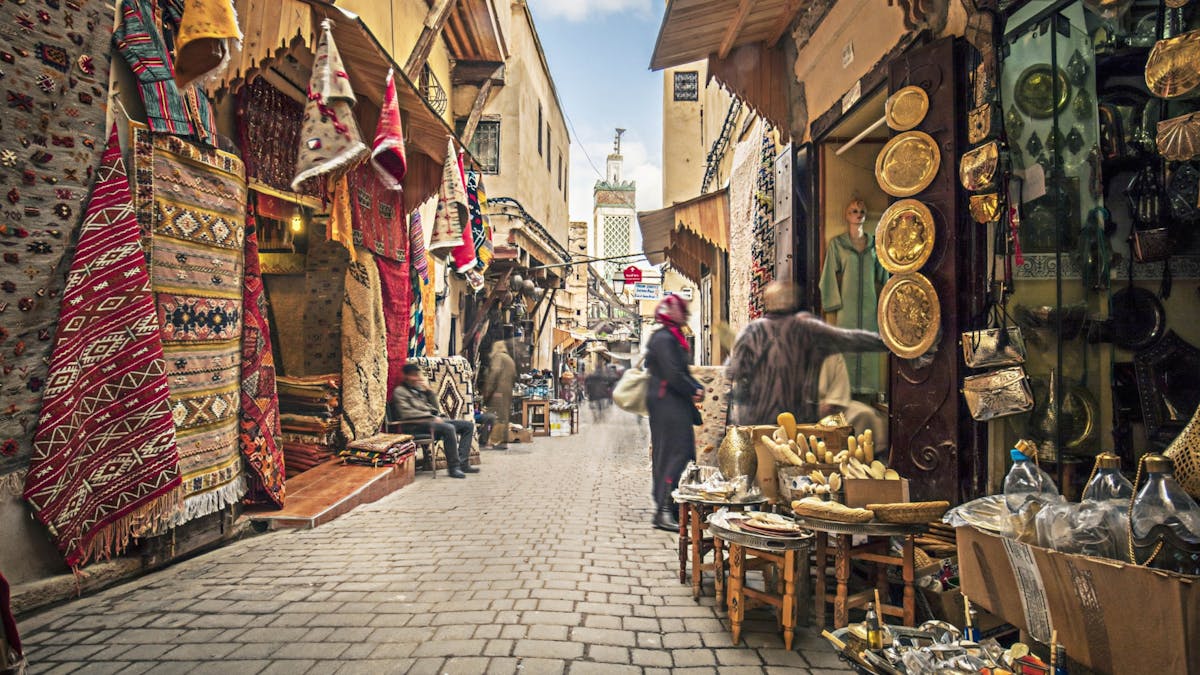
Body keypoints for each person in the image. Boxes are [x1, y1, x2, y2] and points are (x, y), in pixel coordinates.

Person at [727, 280, 887, 426]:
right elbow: (850, 339)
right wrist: (886, 342)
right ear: (793, 302)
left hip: (757, 420)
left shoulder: (750, 332)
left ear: (766, 302)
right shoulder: (806, 328)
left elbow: (732, 371)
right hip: (797, 421)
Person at [645, 294, 703, 532]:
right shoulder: (664, 338)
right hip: (666, 403)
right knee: (675, 452)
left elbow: (680, 370)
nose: (686, 314)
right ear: (671, 312)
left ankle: (671, 506)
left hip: (672, 402)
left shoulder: (671, 337)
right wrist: (693, 389)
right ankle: (665, 510)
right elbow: (672, 372)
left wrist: (696, 387)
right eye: (682, 309)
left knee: (681, 451)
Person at [820, 198, 888, 396]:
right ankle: (845, 392)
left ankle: (868, 394)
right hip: (847, 309)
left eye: (861, 211)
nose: (858, 214)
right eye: (853, 211)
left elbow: (885, 277)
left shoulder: (875, 245)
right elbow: (828, 277)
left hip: (870, 308)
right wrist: (832, 303)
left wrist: (887, 304)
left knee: (868, 350)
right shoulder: (838, 245)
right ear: (846, 216)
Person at [393, 363, 478, 478]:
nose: (416, 378)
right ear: (405, 376)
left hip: (431, 422)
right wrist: (431, 417)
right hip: (415, 425)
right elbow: (406, 414)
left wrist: (428, 391)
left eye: (417, 375)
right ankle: (454, 468)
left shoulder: (419, 390)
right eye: (413, 376)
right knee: (449, 428)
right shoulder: (400, 392)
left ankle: (463, 463)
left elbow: (435, 408)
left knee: (467, 426)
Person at [818, 353, 888, 452]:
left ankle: (863, 456)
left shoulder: (833, 354)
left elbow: (839, 390)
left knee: (866, 414)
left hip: (834, 406)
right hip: (806, 407)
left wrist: (831, 402)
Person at [482, 341, 516, 449]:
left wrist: (488, 390)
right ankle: (503, 441)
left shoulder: (498, 357)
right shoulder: (510, 360)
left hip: (498, 391)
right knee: (504, 416)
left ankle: (492, 441)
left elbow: (494, 373)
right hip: (507, 391)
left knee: (495, 416)